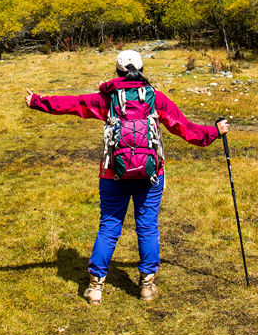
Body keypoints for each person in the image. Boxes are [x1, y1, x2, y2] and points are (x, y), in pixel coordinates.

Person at [25, 49, 230, 304]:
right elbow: (185, 129)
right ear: (142, 70)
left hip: (113, 174)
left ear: (118, 71)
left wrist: (37, 101)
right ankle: (146, 285)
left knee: (109, 226)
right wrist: (214, 131)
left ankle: (96, 287)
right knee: (147, 226)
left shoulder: (106, 98)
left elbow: (72, 104)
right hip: (151, 175)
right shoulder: (156, 98)